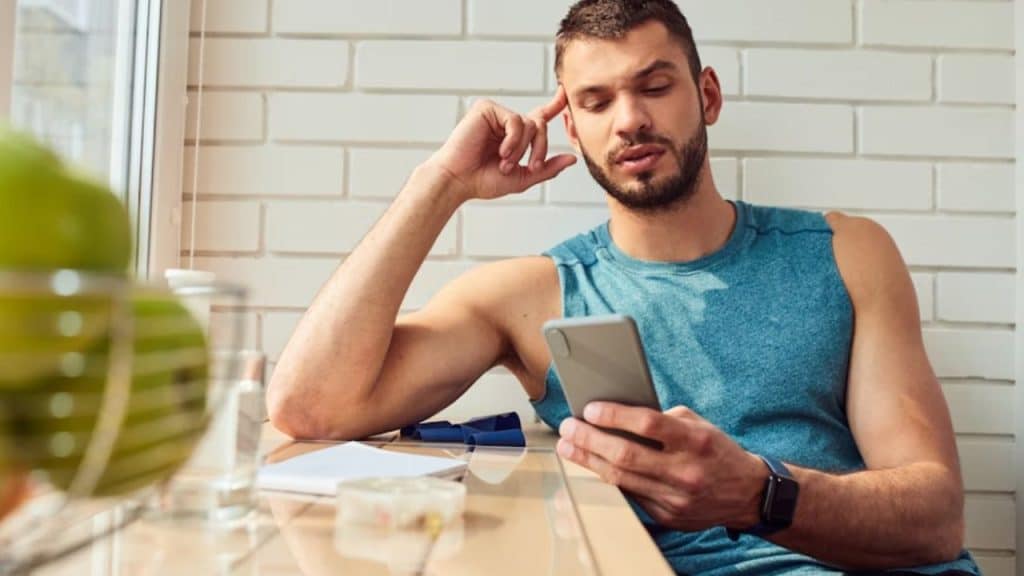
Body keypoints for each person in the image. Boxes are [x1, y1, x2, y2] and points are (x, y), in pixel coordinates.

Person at [267, 0, 980, 573]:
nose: (631, 119)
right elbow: (311, 406)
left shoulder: (846, 251)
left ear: (706, 95)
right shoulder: (533, 296)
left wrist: (757, 494)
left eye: (654, 86)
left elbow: (936, 519)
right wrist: (441, 185)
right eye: (597, 101)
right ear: (570, 128)